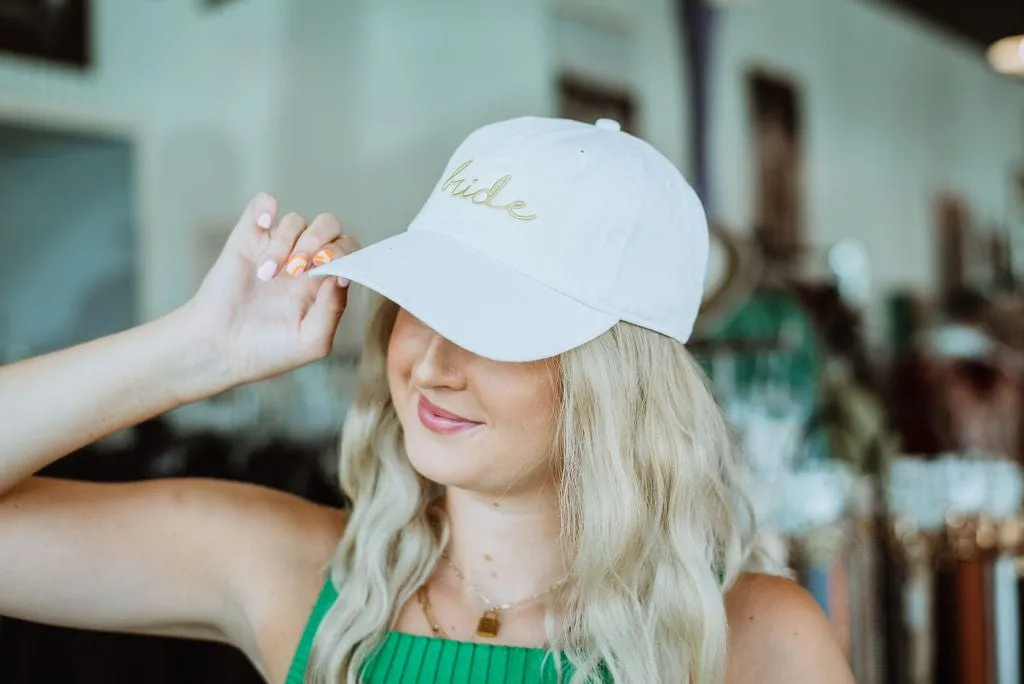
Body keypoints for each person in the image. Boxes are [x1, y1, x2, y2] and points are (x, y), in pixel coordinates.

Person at [0, 116, 854, 684]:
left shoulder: (754, 639)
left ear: (616, 384)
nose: (433, 363)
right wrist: (193, 351)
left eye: (495, 323)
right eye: (422, 304)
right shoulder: (303, 578)